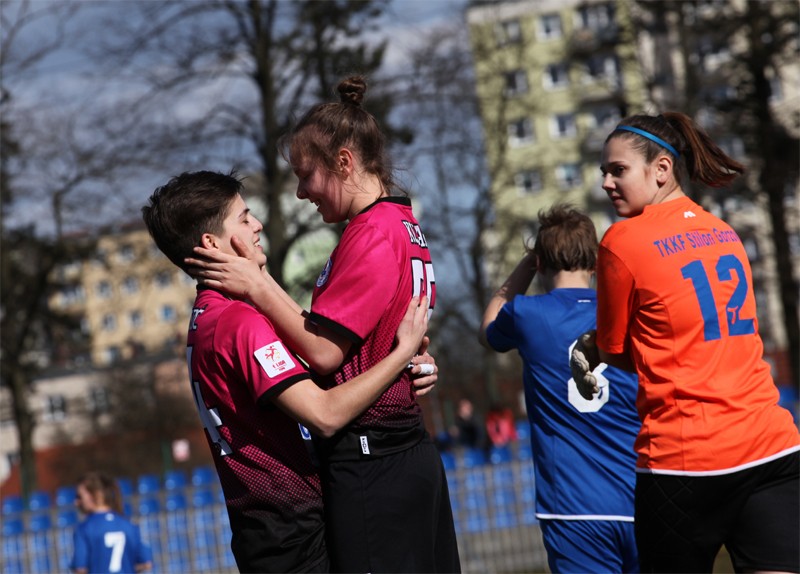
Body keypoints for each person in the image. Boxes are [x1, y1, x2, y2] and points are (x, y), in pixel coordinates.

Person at [185, 76, 461, 573]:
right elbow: (367, 336)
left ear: (344, 162)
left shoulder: (371, 233)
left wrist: (257, 285)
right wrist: (406, 360)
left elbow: (326, 352)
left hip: (373, 459)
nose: (299, 192)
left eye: (305, 174)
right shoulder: (401, 223)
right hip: (403, 450)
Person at [142, 170, 438, 573]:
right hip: (289, 534)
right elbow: (325, 414)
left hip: (272, 529)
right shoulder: (236, 322)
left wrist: (404, 366)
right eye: (244, 218)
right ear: (212, 243)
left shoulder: (212, 316)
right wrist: (399, 356)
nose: (257, 225)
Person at [570, 112, 800, 573]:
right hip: (771, 448)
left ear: (662, 169)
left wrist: (590, 347)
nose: (607, 183)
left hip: (685, 459)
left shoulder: (622, 240)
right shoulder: (724, 231)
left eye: (618, 170)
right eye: (604, 172)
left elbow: (615, 351)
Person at [479, 204, 640, 573]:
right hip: (640, 496)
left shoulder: (527, 314)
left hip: (573, 506)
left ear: (540, 263)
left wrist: (525, 265)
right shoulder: (627, 313)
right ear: (594, 263)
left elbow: (487, 330)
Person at [70, 471, 153, 574]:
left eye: (79, 496)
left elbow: (80, 569)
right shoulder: (129, 526)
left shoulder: (84, 529)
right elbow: (146, 563)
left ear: (96, 495)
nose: (76, 502)